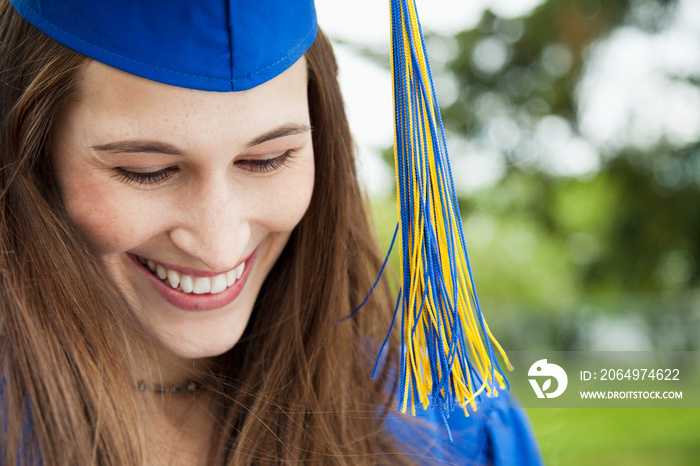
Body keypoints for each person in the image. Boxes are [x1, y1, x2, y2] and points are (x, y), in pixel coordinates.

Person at [0, 0, 544, 464]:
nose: (219, 244)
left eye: (267, 159)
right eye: (147, 171)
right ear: (31, 151)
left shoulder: (440, 423)